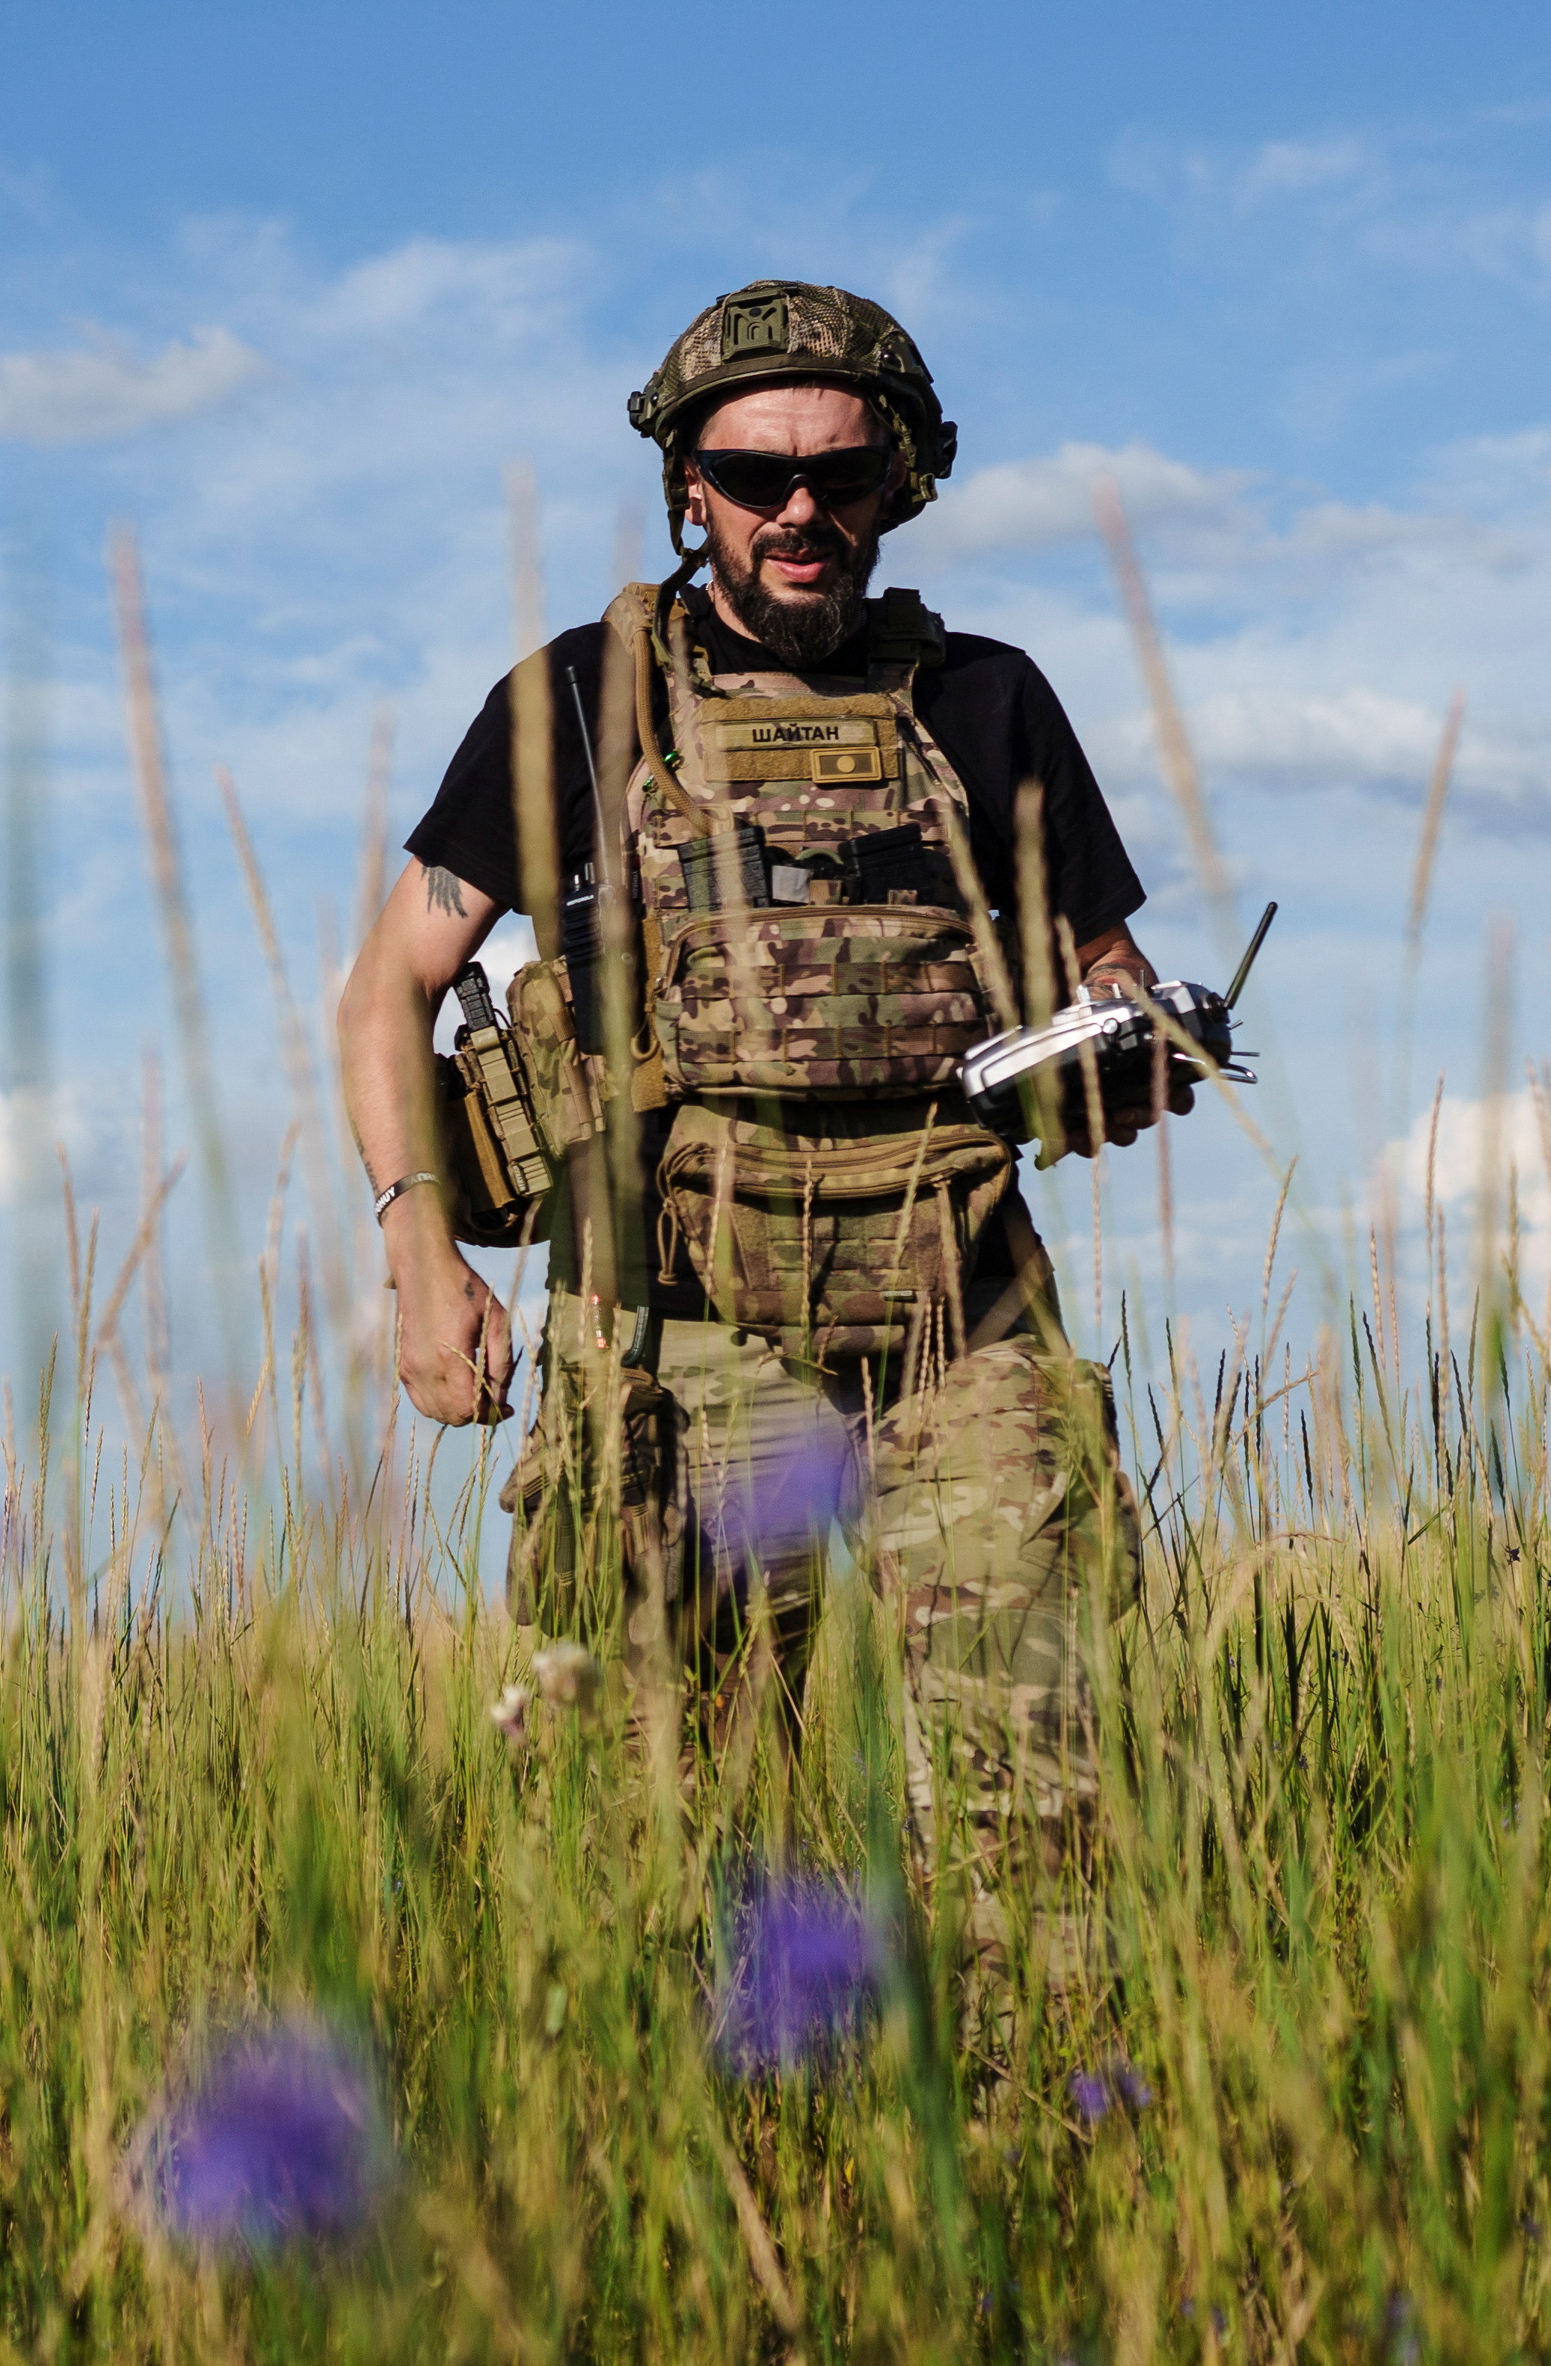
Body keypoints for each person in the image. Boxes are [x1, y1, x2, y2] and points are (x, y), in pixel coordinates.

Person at [333, 279, 1177, 1840]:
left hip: (961, 1318)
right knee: (653, 1828)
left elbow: (1097, 962)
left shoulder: (987, 702)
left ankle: (1031, 2088)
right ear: (687, 488)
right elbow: (388, 986)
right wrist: (416, 1246)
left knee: (1042, 1797)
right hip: (677, 1332)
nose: (799, 510)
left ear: (897, 488)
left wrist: (1126, 1037)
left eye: (840, 477)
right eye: (753, 477)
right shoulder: (576, 704)